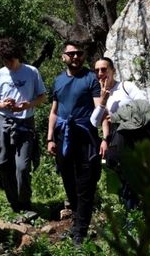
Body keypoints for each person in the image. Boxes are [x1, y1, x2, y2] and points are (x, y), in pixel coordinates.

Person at [47, 40, 102, 245]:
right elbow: (54, 112)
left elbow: (98, 109)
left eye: (79, 54)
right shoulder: (58, 81)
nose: (76, 57)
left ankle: (80, 232)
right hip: (63, 137)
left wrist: (104, 134)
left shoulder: (91, 79)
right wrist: (50, 138)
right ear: (63, 57)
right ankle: (78, 224)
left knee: (85, 184)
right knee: (69, 181)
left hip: (85, 137)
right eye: (71, 54)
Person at [0, 37, 47, 215]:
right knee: (5, 165)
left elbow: (42, 96)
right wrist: (3, 104)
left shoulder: (31, 72)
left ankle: (25, 203)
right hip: (4, 121)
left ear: (17, 56)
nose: (8, 64)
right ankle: (14, 204)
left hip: (25, 122)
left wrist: (28, 105)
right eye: (5, 60)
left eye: (10, 60)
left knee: (22, 166)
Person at [90, 56, 150, 209]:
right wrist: (104, 99)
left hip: (138, 135)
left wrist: (116, 115)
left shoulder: (126, 86)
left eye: (104, 69)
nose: (100, 73)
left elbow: (144, 106)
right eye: (97, 70)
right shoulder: (101, 94)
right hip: (118, 138)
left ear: (113, 70)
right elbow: (96, 121)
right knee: (121, 173)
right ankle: (131, 211)